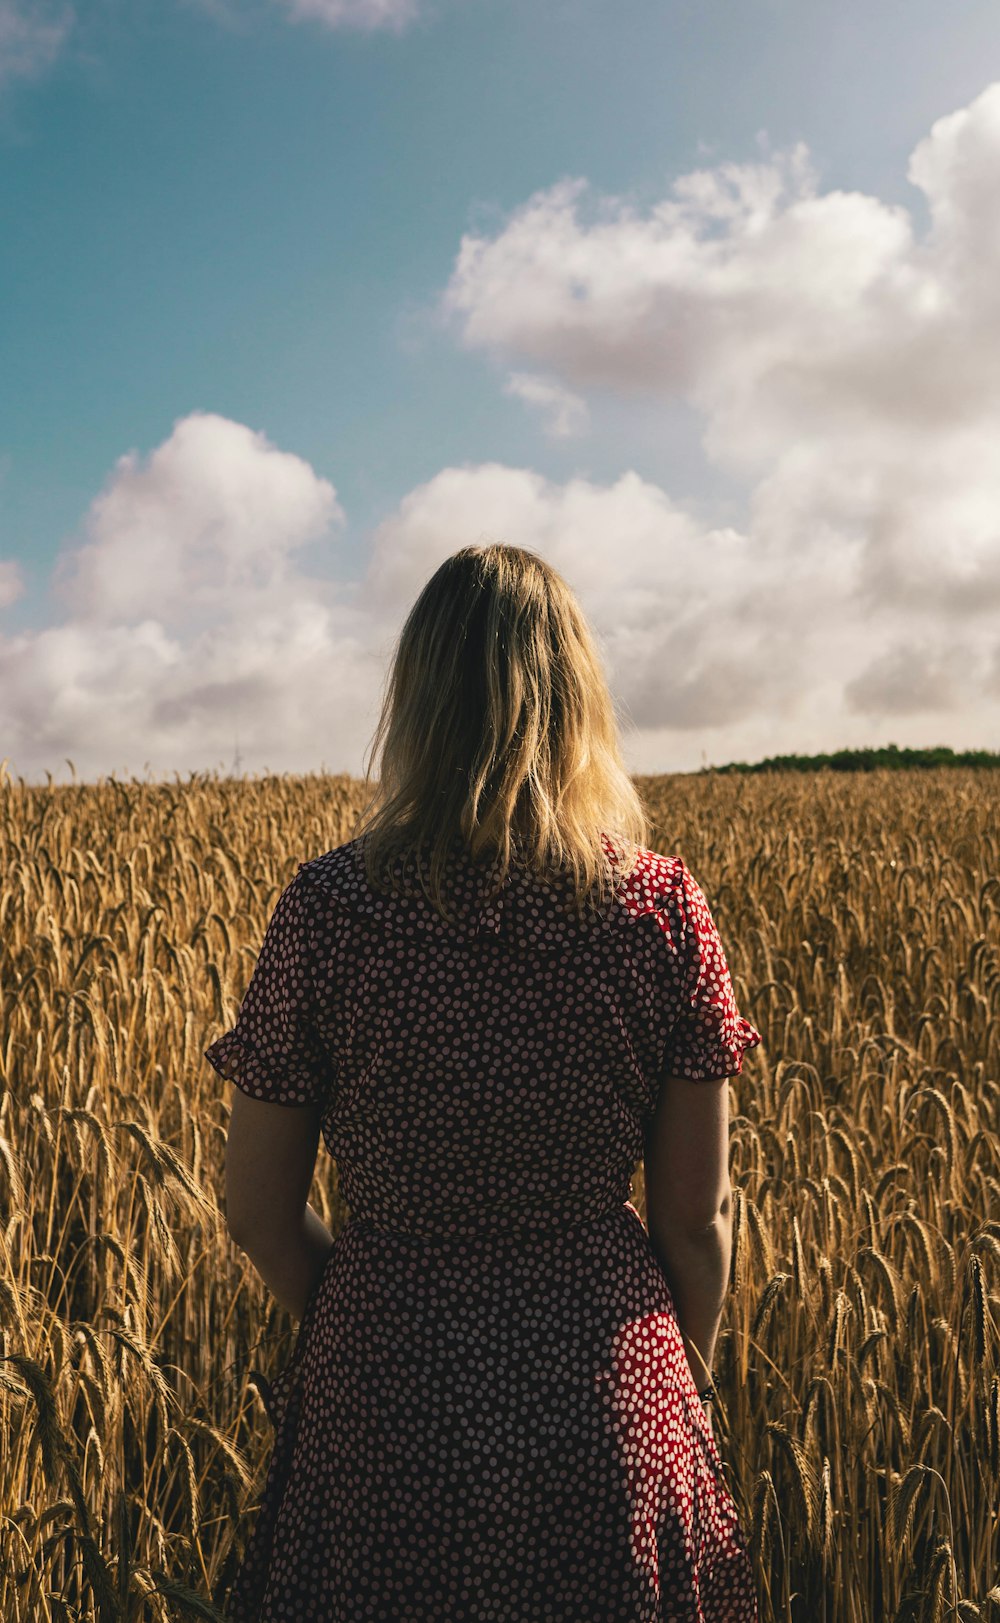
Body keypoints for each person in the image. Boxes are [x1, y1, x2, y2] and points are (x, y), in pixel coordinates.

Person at [204, 542, 762, 1622]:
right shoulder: (657, 912)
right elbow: (697, 1223)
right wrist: (673, 1371)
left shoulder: (326, 913)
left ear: (415, 703)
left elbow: (253, 1207)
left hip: (379, 1403)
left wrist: (381, 1313)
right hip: (610, 1404)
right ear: (576, 699)